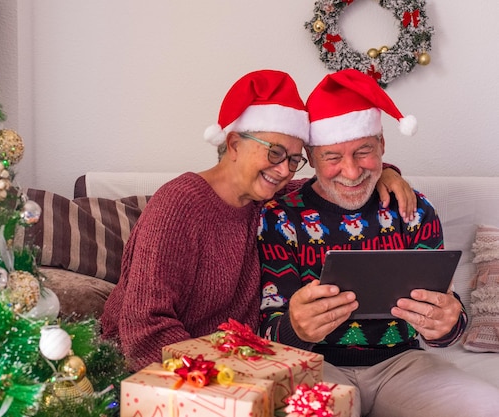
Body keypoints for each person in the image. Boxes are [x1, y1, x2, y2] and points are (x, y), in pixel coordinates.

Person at [100, 69, 415, 372]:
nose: (283, 170)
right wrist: (218, 381)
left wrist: (385, 172)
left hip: (234, 368)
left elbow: (332, 181)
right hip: (163, 371)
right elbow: (144, 329)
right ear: (235, 144)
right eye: (275, 153)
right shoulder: (178, 205)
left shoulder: (268, 200)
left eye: (293, 160)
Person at [258, 68, 499, 417]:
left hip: (403, 364)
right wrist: (295, 327)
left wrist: (448, 324)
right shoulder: (279, 217)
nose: (352, 172)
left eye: (364, 152)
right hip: (314, 366)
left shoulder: (412, 209)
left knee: (487, 407)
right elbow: (266, 327)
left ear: (383, 145)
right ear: (311, 157)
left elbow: (448, 321)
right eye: (333, 157)